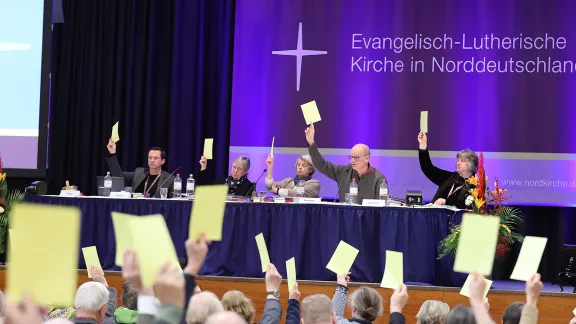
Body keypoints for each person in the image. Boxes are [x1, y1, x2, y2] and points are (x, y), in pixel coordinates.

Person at [304, 123, 386, 204]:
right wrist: (311, 143)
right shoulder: (344, 172)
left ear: (367, 158)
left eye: (356, 157)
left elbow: (381, 208)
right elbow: (321, 164)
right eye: (351, 157)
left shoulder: (378, 178)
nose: (352, 160)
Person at [417, 132, 478, 209]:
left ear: (471, 164)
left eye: (462, 161)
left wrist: (446, 202)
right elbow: (428, 169)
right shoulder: (452, 177)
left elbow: (467, 204)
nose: (458, 163)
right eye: (458, 160)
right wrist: (423, 145)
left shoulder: (476, 185)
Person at [106, 139, 175, 198]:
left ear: (162, 161)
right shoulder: (139, 172)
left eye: (156, 158)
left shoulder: (169, 179)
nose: (152, 160)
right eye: (150, 157)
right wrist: (112, 153)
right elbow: (118, 176)